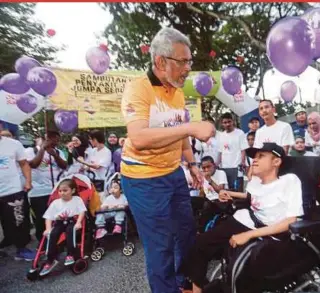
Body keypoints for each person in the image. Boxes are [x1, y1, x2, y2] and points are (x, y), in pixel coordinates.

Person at [119, 27, 215, 293]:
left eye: (189, 62)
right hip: (143, 180)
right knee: (159, 246)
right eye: (182, 61)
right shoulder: (137, 88)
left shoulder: (178, 92)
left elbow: (180, 133)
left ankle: (184, 283)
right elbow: (138, 137)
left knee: (185, 234)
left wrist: (192, 164)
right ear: (161, 62)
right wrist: (190, 128)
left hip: (173, 174)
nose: (187, 68)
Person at [181, 143, 306, 293]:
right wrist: (229, 193)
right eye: (254, 156)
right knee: (200, 244)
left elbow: (291, 221)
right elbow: (252, 196)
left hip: (270, 231)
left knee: (241, 268)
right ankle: (197, 289)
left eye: (261, 156)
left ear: (276, 161)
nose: (254, 160)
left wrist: (248, 234)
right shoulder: (257, 181)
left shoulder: (289, 181)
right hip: (245, 219)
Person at [25, 131, 68, 242]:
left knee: (58, 217)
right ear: (44, 138)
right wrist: (42, 150)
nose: (56, 141)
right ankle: (43, 242)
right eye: (53, 139)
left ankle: (57, 241)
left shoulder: (58, 151)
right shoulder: (31, 151)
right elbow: (33, 164)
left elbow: (64, 166)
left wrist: (55, 155)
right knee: (41, 219)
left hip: (55, 191)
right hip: (38, 192)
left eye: (57, 139)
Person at [39, 179, 87, 276]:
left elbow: (82, 211)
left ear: (72, 191)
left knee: (70, 231)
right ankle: (50, 260)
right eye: (60, 191)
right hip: (59, 222)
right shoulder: (55, 203)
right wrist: (48, 229)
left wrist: (78, 222)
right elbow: (48, 217)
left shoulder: (77, 200)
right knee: (52, 234)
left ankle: (70, 254)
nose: (62, 193)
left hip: (71, 221)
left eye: (65, 190)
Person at [0, 135, 35, 261]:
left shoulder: (14, 144)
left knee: (18, 221)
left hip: (13, 191)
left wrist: (28, 181)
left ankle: (21, 249)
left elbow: (24, 164)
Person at [217, 112, 248, 192]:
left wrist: (242, 162)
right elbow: (220, 152)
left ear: (233, 121)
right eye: (225, 122)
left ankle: (239, 204)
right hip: (224, 167)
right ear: (222, 124)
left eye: (229, 121)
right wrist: (217, 164)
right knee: (227, 191)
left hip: (237, 167)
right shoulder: (221, 135)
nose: (227, 124)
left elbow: (243, 149)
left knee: (237, 190)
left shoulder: (240, 133)